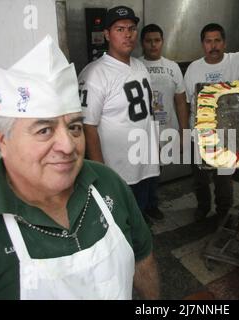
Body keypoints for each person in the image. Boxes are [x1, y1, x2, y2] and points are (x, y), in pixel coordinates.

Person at [0, 35, 159, 300]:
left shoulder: (109, 183)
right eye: (44, 130)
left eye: (75, 127)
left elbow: (143, 260)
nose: (68, 145)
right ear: (2, 140)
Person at [78, 6, 160, 223]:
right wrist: (100, 172)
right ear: (107, 34)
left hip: (143, 162)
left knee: (138, 214)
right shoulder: (95, 74)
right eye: (120, 29)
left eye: (132, 29)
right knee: (118, 221)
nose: (128, 34)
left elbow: (147, 114)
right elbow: (88, 126)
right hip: (116, 169)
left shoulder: (140, 66)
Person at [184, 23, 239, 221]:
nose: (213, 45)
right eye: (208, 41)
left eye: (217, 40)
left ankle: (223, 212)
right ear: (203, 44)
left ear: (224, 43)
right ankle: (202, 207)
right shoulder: (194, 68)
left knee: (223, 179)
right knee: (199, 178)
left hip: (227, 136)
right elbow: (187, 102)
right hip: (198, 134)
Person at [138, 23, 189, 220]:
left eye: (157, 40)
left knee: (158, 168)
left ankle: (152, 204)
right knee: (143, 169)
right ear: (143, 43)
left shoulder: (173, 67)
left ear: (162, 42)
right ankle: (142, 209)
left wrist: (184, 131)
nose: (153, 45)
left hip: (167, 127)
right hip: (143, 130)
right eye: (149, 41)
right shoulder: (136, 66)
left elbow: (181, 101)